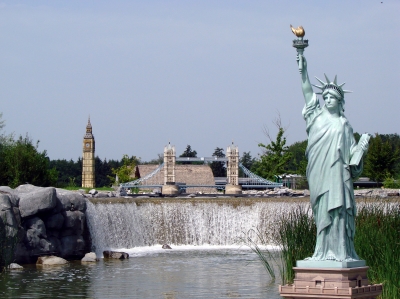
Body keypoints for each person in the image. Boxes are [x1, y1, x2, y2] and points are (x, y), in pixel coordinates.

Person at [297, 53, 369, 262]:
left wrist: (361, 149)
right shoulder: (316, 116)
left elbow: (352, 158)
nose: (327, 100)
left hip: (337, 175)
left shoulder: (344, 125)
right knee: (321, 212)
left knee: (337, 211)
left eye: (332, 97)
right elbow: (308, 92)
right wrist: (303, 71)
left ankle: (339, 251)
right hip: (319, 173)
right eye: (325, 97)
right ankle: (321, 251)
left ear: (340, 101)